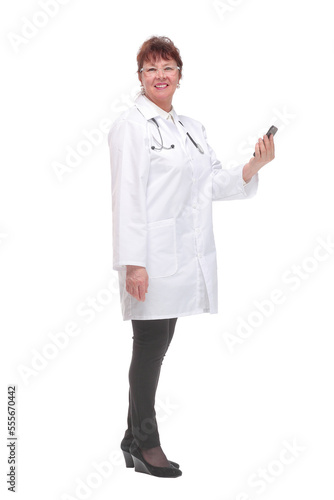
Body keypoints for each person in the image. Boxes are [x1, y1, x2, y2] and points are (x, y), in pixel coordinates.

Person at [108, 35, 275, 478]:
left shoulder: (191, 129)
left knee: (157, 346)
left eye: (168, 68)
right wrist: (134, 262)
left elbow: (212, 182)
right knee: (149, 347)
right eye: (151, 70)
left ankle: (131, 437)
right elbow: (126, 198)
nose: (160, 76)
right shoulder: (131, 127)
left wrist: (254, 165)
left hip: (182, 257)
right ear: (140, 78)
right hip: (150, 258)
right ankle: (146, 443)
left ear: (180, 75)